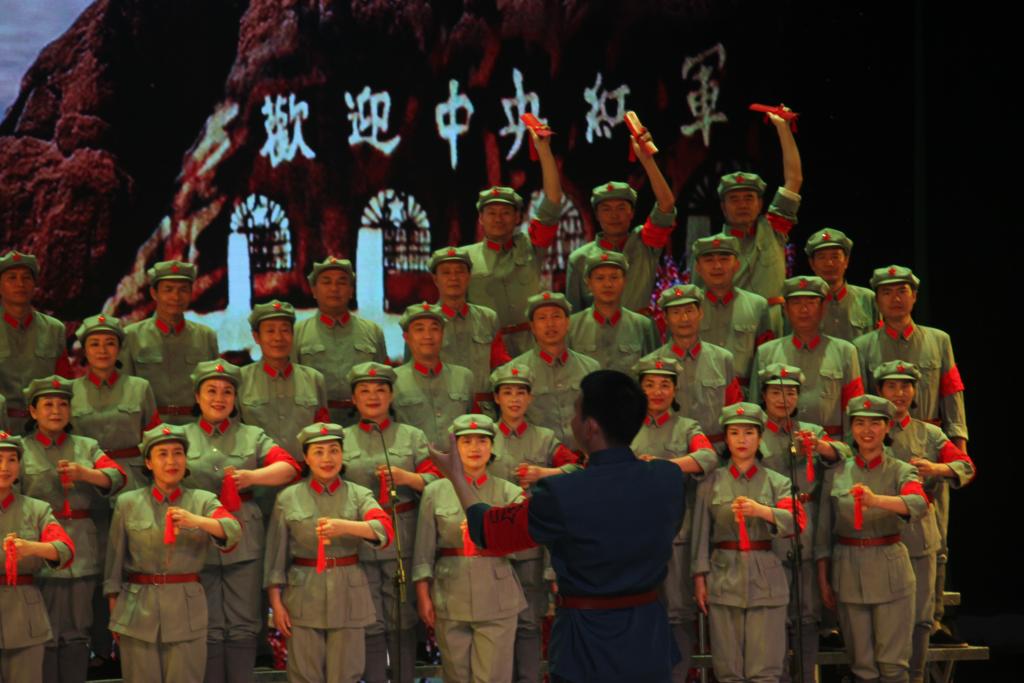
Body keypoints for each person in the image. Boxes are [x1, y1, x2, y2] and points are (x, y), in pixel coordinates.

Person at [430, 370, 687, 683]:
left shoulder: (564, 492)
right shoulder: (668, 478)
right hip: (648, 637)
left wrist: (457, 477)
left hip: (586, 643)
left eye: (576, 413)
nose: (572, 421)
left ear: (591, 427)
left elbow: (489, 531)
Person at [180, 360, 301, 683]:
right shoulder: (180, 436)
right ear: (197, 396)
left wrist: (252, 477)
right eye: (211, 391)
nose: (219, 398)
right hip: (196, 536)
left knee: (244, 623)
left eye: (227, 392)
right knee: (205, 621)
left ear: (236, 399)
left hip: (244, 535)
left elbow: (289, 468)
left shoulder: (252, 435)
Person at [104, 424, 241, 683]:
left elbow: (232, 530)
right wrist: (114, 606)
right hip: (137, 608)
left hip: (185, 609)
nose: (171, 461)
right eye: (162, 454)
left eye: (178, 453)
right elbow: (114, 561)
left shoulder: (202, 500)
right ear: (148, 463)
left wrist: (196, 521)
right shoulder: (128, 502)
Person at [264, 422, 394, 683]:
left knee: (346, 673)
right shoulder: (288, 498)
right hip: (304, 593)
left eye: (334, 450)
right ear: (306, 458)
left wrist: (345, 526)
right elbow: (275, 559)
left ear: (342, 454)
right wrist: (276, 604)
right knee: (304, 674)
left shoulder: (359, 495)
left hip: (348, 593)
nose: (327, 459)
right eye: (318, 452)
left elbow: (384, 529)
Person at [18, 376, 125, 683]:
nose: (56, 411)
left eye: (63, 404)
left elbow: (117, 477)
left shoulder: (86, 446)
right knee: (43, 633)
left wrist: (85, 474)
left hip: (81, 550)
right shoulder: (20, 449)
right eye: (48, 405)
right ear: (33, 411)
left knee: (78, 632)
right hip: (39, 549)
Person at [815, 395, 928, 683]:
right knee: (861, 666)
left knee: (893, 666)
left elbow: (918, 503)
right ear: (851, 428)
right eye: (859, 423)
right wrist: (823, 577)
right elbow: (823, 532)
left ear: (887, 427)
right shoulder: (836, 472)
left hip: (890, 569)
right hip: (848, 569)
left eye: (875, 423)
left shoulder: (901, 470)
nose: (867, 430)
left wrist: (877, 500)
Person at [340, 362, 440, 683]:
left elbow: (436, 480)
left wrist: (407, 477)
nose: (373, 396)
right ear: (354, 399)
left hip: (402, 536)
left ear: (392, 395)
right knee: (368, 618)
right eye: (364, 391)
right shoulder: (341, 438)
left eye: (381, 390)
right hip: (360, 540)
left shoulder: (412, 436)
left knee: (402, 619)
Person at [874, 360, 975, 674]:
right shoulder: (869, 429)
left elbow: (966, 466)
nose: (899, 393)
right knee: (883, 615)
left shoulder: (930, 434)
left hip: (919, 532)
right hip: (880, 529)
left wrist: (937, 469)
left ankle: (916, 677)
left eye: (906, 386)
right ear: (880, 390)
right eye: (892, 386)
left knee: (920, 617)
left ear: (915, 391)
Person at [413, 414, 527, 683]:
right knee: (456, 675)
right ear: (455, 448)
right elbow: (423, 550)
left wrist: (490, 533)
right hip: (450, 593)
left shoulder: (510, 493)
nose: (475, 448)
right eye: (466, 442)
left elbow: (523, 543)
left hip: (496, 594)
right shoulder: (435, 491)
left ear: (492, 447)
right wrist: (423, 595)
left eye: (482, 441)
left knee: (493, 677)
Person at [691, 402, 801, 683]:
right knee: (728, 670)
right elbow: (700, 533)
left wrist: (761, 510)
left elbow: (797, 522)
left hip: (765, 577)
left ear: (760, 437)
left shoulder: (777, 482)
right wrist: (699, 578)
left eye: (749, 432)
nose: (742, 440)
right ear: (726, 439)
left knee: (764, 671)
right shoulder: (711, 482)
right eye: (735, 433)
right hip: (723, 576)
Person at [487, 363, 580, 683]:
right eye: (507, 392)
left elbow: (577, 470)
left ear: (530, 398)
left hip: (531, 541)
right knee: (494, 622)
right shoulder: (483, 437)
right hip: (495, 541)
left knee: (528, 622)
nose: (514, 399)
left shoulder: (544, 438)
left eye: (521, 393)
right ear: (496, 398)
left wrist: (544, 473)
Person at [757, 362, 848, 683]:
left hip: (807, 527)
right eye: (776, 392)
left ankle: (807, 677)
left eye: (791, 393)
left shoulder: (810, 431)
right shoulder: (753, 430)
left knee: (807, 615)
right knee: (776, 613)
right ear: (764, 395)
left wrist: (821, 447)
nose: (783, 399)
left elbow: (845, 456)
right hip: (770, 527)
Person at [630, 357, 718, 682]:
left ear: (675, 390)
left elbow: (707, 457)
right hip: (634, 537)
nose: (657, 391)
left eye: (665, 385)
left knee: (678, 614)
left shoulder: (687, 428)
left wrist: (666, 465)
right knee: (637, 610)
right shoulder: (625, 426)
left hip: (676, 536)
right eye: (650, 385)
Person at [465, 125, 563, 357]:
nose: (499, 219)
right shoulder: (464, 258)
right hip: (486, 351)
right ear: (481, 219)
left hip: (532, 348)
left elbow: (552, 204)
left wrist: (544, 152)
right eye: (491, 213)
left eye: (506, 212)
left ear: (518, 217)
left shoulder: (531, 246)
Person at [689, 110, 803, 305]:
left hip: (774, 321)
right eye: (734, 199)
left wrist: (783, 128)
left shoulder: (774, 228)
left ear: (760, 204)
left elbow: (794, 179)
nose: (742, 204)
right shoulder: (710, 249)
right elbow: (698, 302)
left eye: (749, 198)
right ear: (723, 207)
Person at [853, 265, 968, 452]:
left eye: (902, 291)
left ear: (914, 296)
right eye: (887, 292)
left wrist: (959, 444)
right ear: (877, 301)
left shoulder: (939, 340)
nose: (896, 299)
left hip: (929, 445)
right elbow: (859, 403)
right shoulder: (861, 347)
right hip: (882, 447)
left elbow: (952, 395)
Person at [563, 127, 677, 313]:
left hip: (640, 330)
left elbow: (667, 204)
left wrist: (647, 160)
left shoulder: (645, 243)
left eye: (621, 208)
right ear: (597, 215)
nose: (614, 215)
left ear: (632, 213)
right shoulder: (579, 259)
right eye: (606, 209)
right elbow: (574, 317)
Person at [0, 431, 75, 683]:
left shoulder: (36, 509)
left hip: (24, 614)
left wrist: (31, 548)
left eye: (12, 460)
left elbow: (65, 549)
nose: (5, 467)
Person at [750, 276, 864, 440]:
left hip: (829, 446)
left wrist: (846, 451)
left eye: (811, 303)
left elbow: (854, 410)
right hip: (779, 446)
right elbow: (756, 409)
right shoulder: (766, 353)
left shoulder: (845, 352)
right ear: (785, 309)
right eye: (796, 303)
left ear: (823, 308)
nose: (804, 310)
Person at [119, 260, 219, 426]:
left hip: (195, 427)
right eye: (168, 289)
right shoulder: (131, 336)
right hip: (149, 428)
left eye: (183, 290)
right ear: (154, 293)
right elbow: (125, 392)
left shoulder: (206, 336)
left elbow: (215, 388)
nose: (176, 297)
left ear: (191, 292)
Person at [642, 284, 743, 446]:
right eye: (676, 313)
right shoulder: (651, 364)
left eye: (689, 311)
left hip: (716, 450)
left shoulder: (722, 359)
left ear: (700, 313)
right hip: (669, 450)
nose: (684, 319)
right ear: (665, 318)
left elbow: (735, 410)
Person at [294, 257, 389, 426]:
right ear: (314, 290)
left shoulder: (372, 332)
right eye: (326, 282)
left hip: (364, 422)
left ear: (351, 290)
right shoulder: (298, 333)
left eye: (342, 282)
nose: (334, 288)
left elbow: (385, 382)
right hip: (316, 424)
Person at [71, 314, 160, 493]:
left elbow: (155, 438)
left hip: (133, 480)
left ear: (119, 349)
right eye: (94, 344)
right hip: (87, 477)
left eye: (110, 343)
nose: (102, 350)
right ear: (85, 350)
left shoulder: (140, 387)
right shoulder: (70, 391)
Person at [238, 300, 330, 461]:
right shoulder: (240, 379)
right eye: (270, 331)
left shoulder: (314, 379)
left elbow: (322, 432)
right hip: (258, 471)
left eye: (285, 330)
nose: (278, 337)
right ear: (256, 337)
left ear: (293, 334)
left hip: (305, 470)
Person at [427, 246, 511, 417]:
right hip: (442, 412)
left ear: (469, 276)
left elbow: (500, 368)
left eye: (460, 271)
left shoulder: (487, 318)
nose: (453, 278)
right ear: (435, 279)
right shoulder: (424, 322)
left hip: (484, 414)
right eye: (446, 273)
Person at [508, 292, 600, 445]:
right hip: (538, 454)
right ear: (532, 326)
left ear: (568, 322)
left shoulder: (590, 368)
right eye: (542, 318)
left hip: (583, 453)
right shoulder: (513, 372)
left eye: (556, 316)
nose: (550, 324)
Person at [0, 250, 72, 434]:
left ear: (34, 285)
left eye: (26, 278)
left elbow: (65, 382)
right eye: (12, 278)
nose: (20, 284)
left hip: (45, 429)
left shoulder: (54, 329)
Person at [692, 234, 778, 387]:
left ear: (737, 265)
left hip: (743, 396)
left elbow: (765, 362)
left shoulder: (757, 306)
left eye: (724, 259)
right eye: (709, 260)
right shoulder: (687, 308)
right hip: (698, 394)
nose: (717, 266)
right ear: (698, 268)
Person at [392, 303, 474, 450]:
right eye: (419, 329)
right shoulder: (393, 380)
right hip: (414, 462)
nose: (428, 336)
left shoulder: (464, 377)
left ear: (443, 334)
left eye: (434, 329)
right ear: (406, 337)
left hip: (458, 461)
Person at [567, 250, 660, 373]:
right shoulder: (572, 326)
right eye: (600, 278)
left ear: (625, 281)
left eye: (614, 277)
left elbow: (655, 373)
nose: (608, 284)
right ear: (588, 283)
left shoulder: (643, 326)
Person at [803, 228, 878, 341]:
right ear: (812, 263)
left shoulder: (868, 298)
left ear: (846, 261)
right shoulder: (801, 305)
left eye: (835, 257)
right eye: (822, 257)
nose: (829, 263)